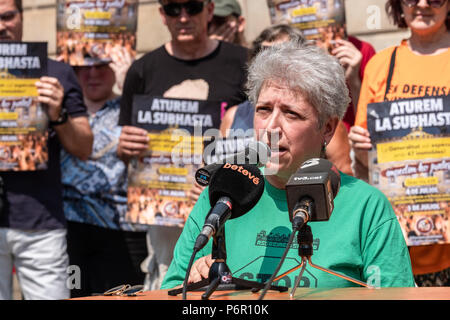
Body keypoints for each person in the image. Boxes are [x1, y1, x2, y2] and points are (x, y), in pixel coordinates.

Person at [161, 41, 415, 289]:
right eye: (263, 110)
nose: (271, 127)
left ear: (327, 128)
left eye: (291, 113)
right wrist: (195, 282)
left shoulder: (366, 206)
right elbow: (171, 290)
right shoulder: (222, 197)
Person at [117, 0, 248, 290]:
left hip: (228, 206)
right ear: (162, 15)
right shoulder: (142, 70)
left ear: (210, 10)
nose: (184, 17)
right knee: (167, 281)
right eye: (174, 9)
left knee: (231, 281)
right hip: (166, 214)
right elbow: (126, 153)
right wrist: (124, 147)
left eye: (192, 7)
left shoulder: (244, 62)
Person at [349, 0, 450, 286]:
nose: (422, 4)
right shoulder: (381, 64)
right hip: (396, 244)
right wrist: (362, 146)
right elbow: (370, 166)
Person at [0, 0, 93, 300]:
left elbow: (84, 147)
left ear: (22, 17)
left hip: (41, 223)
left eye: (7, 16)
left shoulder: (57, 72)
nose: (1, 26)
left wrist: (59, 114)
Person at [61, 52, 148, 297]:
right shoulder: (60, 108)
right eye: (83, 67)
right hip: (69, 228)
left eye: (102, 66)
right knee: (73, 294)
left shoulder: (133, 108)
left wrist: (130, 81)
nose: (93, 74)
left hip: (122, 229)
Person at [220, 24, 353, 175]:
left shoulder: (321, 120)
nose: (271, 127)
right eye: (263, 52)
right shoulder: (233, 115)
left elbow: (342, 174)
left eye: (291, 113)